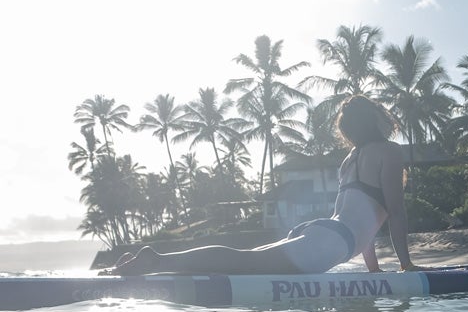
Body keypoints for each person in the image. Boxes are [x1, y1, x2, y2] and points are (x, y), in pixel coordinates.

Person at [116, 95, 415, 277]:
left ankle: (162, 266)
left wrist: (374, 272)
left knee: (245, 263)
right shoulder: (389, 152)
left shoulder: (350, 159)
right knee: (244, 262)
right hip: (330, 243)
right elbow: (396, 213)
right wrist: (407, 266)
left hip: (322, 231)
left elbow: (359, 219)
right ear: (374, 119)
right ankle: (156, 261)